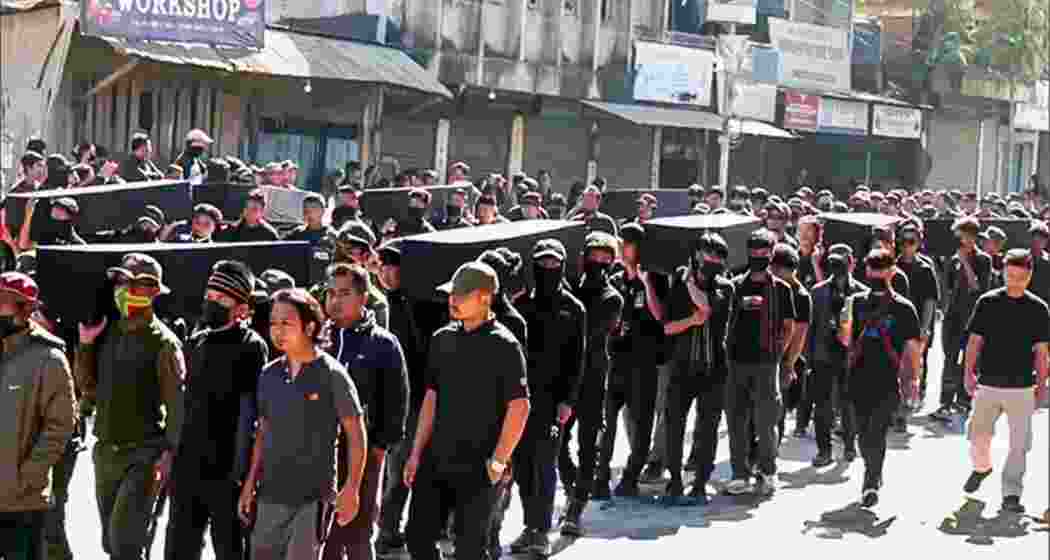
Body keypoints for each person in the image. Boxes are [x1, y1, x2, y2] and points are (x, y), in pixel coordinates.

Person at [403, 262, 531, 560]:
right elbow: (431, 398)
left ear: (485, 297)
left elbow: (520, 406)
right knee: (418, 537)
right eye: (451, 295)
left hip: (479, 464)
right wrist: (416, 453)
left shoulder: (505, 345)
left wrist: (499, 460)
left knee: (470, 548)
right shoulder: (441, 339)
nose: (453, 301)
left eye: (461, 295)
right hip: (437, 458)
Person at [238, 288, 368, 559]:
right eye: (273, 323)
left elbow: (356, 435)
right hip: (271, 494)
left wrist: (352, 488)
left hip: (313, 496)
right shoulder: (268, 374)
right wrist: (250, 482)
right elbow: (262, 432)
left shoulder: (332, 374)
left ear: (309, 327)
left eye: (286, 323)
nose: (278, 331)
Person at [74, 253, 186, 560]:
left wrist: (169, 454)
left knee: (126, 542)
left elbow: (176, 404)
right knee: (111, 544)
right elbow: (87, 387)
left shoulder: (162, 342)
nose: (121, 289)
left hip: (144, 454)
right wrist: (85, 344)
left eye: (129, 283)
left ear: (151, 290)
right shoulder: (108, 331)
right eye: (120, 282)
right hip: (106, 451)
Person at [165, 261, 268, 560]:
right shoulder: (196, 342)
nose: (213, 303)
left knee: (230, 548)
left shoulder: (252, 346)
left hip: (227, 471)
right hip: (188, 467)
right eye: (210, 296)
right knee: (179, 546)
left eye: (222, 300)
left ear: (240, 307)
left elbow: (252, 412)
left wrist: (242, 473)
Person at [323, 264, 409, 560]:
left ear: (363, 298)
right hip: (316, 455)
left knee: (358, 533)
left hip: (363, 455)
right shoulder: (316, 339)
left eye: (344, 293)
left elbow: (396, 404)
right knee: (324, 536)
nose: (335, 301)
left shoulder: (383, 344)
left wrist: (379, 449)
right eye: (331, 293)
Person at [510, 239, 586, 556]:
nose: (548, 268)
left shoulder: (573, 308)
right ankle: (530, 526)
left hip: (553, 402)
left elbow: (577, 359)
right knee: (522, 465)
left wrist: (568, 400)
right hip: (520, 401)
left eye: (555, 263)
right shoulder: (521, 305)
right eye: (543, 263)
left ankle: (541, 530)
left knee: (544, 464)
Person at [961, 249, 1049, 514]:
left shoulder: (1038, 309)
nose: (1015, 282)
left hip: (1022, 386)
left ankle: (1011, 493)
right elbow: (975, 341)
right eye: (1010, 276)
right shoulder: (987, 303)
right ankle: (982, 467)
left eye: (1020, 277)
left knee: (1020, 444)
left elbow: (1042, 352)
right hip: (988, 383)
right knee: (977, 434)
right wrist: (968, 371)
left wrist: (1042, 386)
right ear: (1003, 273)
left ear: (1029, 276)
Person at [0, 272, 76, 560]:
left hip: (23, 503)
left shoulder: (49, 359)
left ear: (25, 309)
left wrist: (28, 477)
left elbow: (61, 426)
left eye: (3, 302)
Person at [841, 249, 922, 508]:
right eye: (873, 268)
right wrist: (844, 321)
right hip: (857, 376)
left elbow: (912, 349)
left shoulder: (904, 307)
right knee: (862, 434)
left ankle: (871, 481)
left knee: (876, 431)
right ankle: (873, 470)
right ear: (866, 271)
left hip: (888, 379)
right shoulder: (855, 302)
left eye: (882, 268)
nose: (877, 273)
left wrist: (913, 383)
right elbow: (845, 340)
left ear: (892, 271)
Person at [660, 233, 734, 501]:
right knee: (674, 426)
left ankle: (701, 481)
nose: (712, 262)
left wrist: (688, 280)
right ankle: (675, 480)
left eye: (718, 258)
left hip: (714, 369)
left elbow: (706, 308)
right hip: (682, 368)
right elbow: (668, 327)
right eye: (708, 256)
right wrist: (689, 319)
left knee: (707, 428)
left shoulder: (725, 287)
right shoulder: (678, 285)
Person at [558, 232, 622, 536]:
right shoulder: (568, 287)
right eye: (594, 256)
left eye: (605, 258)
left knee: (588, 444)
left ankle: (577, 505)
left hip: (594, 378)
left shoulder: (612, 298)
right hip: (562, 377)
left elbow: (591, 332)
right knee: (555, 442)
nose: (599, 262)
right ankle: (571, 484)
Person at [724, 229, 796, 496]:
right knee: (736, 420)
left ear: (771, 253)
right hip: (736, 362)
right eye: (753, 251)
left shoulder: (782, 289)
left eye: (763, 252)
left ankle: (768, 471)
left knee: (766, 423)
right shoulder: (735, 285)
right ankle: (739, 474)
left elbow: (789, 326)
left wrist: (779, 353)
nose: (757, 256)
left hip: (767, 364)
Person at [598, 224, 667, 495]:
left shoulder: (655, 278)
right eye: (620, 242)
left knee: (641, 426)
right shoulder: (614, 279)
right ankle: (601, 476)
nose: (621, 248)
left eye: (627, 243)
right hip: (616, 360)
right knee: (607, 422)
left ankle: (631, 476)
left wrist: (645, 281)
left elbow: (660, 315)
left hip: (645, 362)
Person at [807, 248, 866, 467]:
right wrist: (808, 357)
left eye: (840, 264)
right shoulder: (818, 291)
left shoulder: (861, 292)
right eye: (833, 265)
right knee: (822, 405)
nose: (837, 270)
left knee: (849, 403)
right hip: (823, 354)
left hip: (850, 356)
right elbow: (811, 328)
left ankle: (850, 445)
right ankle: (824, 450)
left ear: (850, 264)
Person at [932, 217, 992, 421]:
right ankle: (945, 402)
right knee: (949, 359)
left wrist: (965, 261)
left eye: (962, 234)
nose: (959, 238)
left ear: (971, 236)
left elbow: (978, 287)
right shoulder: (953, 258)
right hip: (952, 317)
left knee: (969, 360)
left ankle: (965, 400)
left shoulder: (983, 260)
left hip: (972, 318)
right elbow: (946, 286)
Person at [895, 224, 941, 410]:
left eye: (911, 241)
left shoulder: (925, 268)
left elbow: (930, 300)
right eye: (903, 241)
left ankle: (915, 396)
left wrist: (925, 326)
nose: (907, 246)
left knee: (918, 364)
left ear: (918, 243)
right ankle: (898, 401)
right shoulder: (893, 265)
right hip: (896, 324)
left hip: (918, 323)